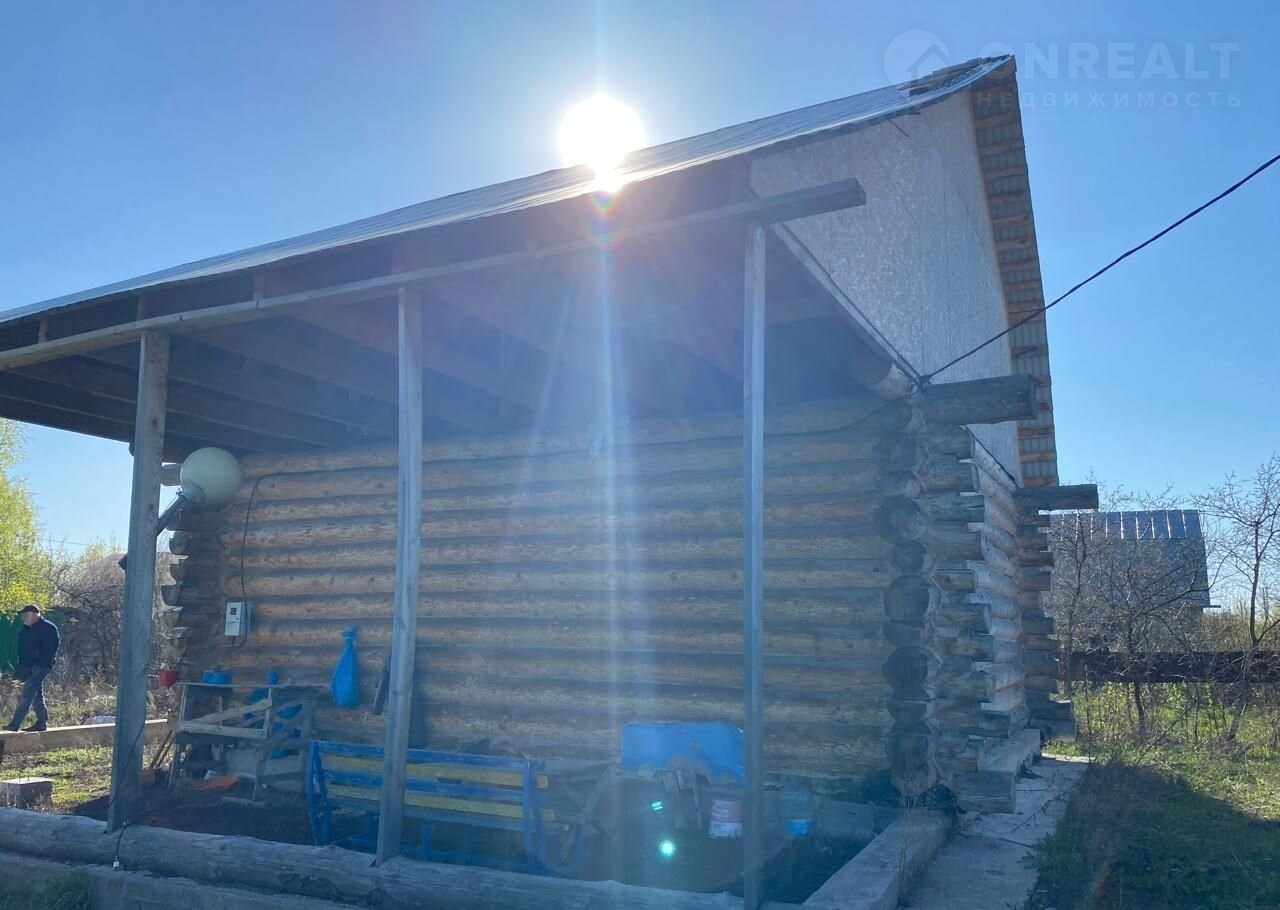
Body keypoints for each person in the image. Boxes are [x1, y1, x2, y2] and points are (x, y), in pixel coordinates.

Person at [4, 605, 59, 733]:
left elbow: (50, 650)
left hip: (42, 666)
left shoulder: (48, 628)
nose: (23, 618)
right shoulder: (26, 630)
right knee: (36, 694)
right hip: (28, 666)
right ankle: (42, 722)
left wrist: (39, 665)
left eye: (26, 615)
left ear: (35, 614)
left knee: (27, 693)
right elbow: (22, 650)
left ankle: (14, 724)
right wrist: (21, 669)